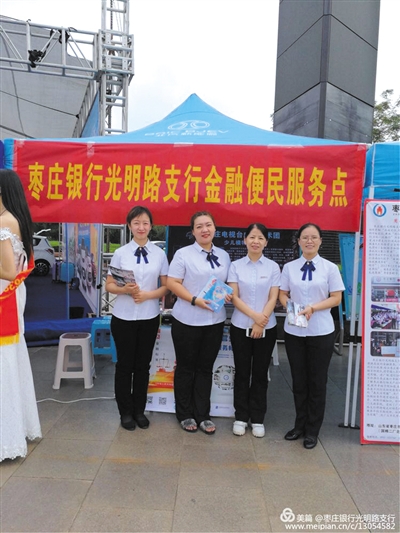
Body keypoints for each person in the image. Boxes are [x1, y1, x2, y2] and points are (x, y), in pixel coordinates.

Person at [279, 223, 345, 449]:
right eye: (305, 237)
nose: (309, 241)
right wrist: (291, 307)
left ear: (320, 241)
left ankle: (312, 430)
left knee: (317, 382)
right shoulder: (290, 267)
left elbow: (336, 298)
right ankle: (299, 425)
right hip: (295, 331)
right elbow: (282, 293)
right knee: (299, 380)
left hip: (321, 331)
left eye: (313, 237)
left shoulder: (329, 268)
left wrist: (313, 308)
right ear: (298, 241)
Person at [167, 211, 231, 434]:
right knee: (186, 368)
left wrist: (227, 295)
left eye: (208, 225)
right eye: (199, 226)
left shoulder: (224, 255)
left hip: (214, 321)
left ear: (215, 228)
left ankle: (203, 414)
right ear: (192, 231)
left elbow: (227, 284)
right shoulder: (183, 254)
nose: (205, 230)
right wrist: (194, 299)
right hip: (187, 319)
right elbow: (173, 283)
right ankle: (184, 413)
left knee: (205, 368)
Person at [105, 206, 169, 431]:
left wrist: (147, 295)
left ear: (151, 226)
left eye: (145, 223)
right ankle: (125, 412)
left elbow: (166, 286)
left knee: (143, 366)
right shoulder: (121, 253)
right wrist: (125, 290)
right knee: (124, 365)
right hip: (123, 317)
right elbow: (109, 284)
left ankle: (139, 410)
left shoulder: (159, 254)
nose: (141, 227)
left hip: (149, 316)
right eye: (136, 223)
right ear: (129, 226)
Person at [0, 169, 42, 461]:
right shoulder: (17, 219)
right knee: (10, 359)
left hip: (4, 295)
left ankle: (8, 436)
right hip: (12, 296)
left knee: (5, 362)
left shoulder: (4, 222)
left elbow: (7, 271)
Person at [227, 223, 280, 438]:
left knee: (260, 373)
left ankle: (257, 418)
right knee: (241, 372)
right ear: (245, 240)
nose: (255, 241)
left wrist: (261, 321)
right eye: (252, 237)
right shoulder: (235, 266)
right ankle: (240, 416)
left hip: (267, 327)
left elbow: (273, 297)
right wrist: (254, 317)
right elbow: (234, 296)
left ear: (266, 242)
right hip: (240, 326)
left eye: (260, 238)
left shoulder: (273, 267)